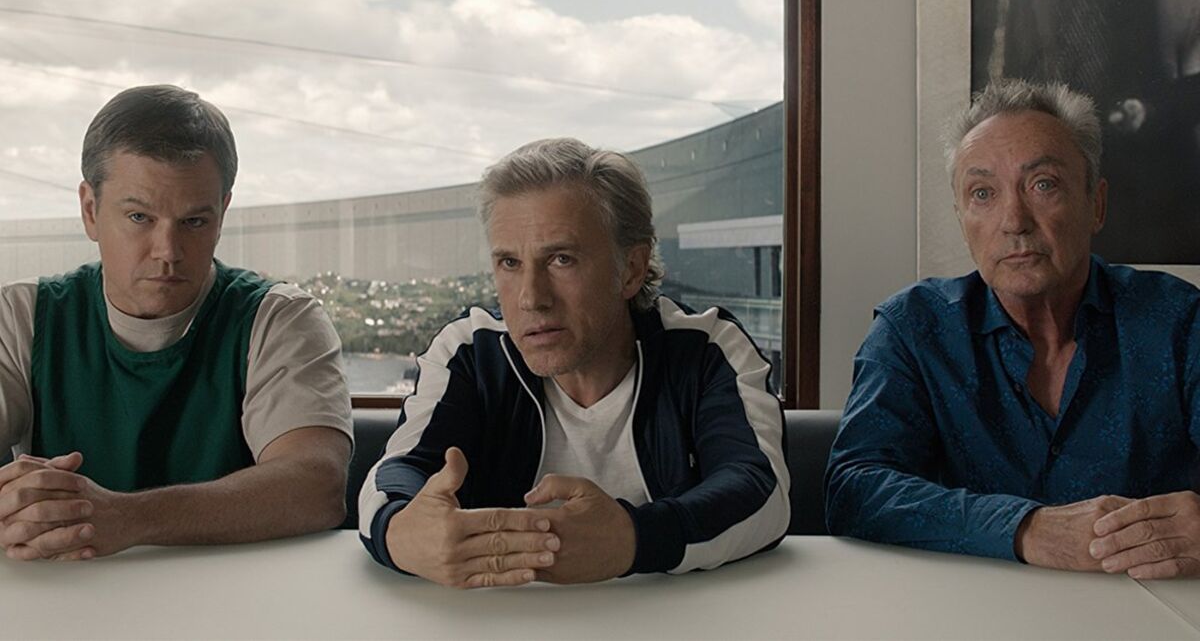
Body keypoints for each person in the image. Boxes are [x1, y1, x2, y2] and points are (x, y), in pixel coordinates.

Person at [358, 138, 789, 588]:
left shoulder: (708, 349)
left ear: (631, 268)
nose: (531, 298)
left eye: (561, 259)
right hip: (499, 618)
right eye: (509, 262)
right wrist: (403, 533)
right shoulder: (470, 352)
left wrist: (631, 539)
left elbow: (762, 493)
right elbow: (394, 474)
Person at [825, 79, 1200, 579]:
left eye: (1043, 184)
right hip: (971, 607)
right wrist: (1026, 529)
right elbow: (853, 489)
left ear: (1096, 204)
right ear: (961, 220)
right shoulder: (913, 328)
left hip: (1153, 605)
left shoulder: (1178, 320)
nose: (1014, 221)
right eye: (983, 193)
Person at [0, 85, 353, 561]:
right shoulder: (22, 316)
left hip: (237, 596)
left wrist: (127, 518)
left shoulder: (279, 319)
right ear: (90, 211)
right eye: (139, 217)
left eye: (194, 222)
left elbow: (316, 487)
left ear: (222, 213)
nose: (167, 251)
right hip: (62, 592)